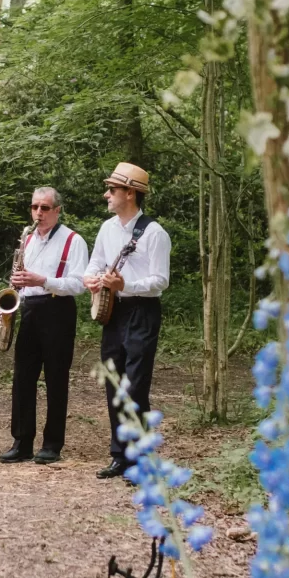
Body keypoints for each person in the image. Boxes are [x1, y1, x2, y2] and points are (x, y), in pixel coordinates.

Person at [83, 163, 171, 480]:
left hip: (142, 312)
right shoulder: (107, 228)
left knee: (135, 387)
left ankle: (142, 461)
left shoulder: (155, 233)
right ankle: (120, 456)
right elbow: (93, 264)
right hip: (114, 312)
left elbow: (161, 281)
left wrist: (126, 286)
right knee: (114, 383)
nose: (107, 194)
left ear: (130, 193)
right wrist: (92, 281)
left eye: (113, 189)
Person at [0, 187, 89, 464]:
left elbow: (79, 284)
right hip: (29, 309)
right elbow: (23, 276)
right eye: (35, 206)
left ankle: (52, 444)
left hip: (58, 309)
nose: (39, 212)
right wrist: (17, 283)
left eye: (45, 207)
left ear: (58, 210)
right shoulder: (27, 238)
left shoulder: (74, 241)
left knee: (55, 378)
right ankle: (22, 441)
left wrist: (43, 281)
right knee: (23, 378)